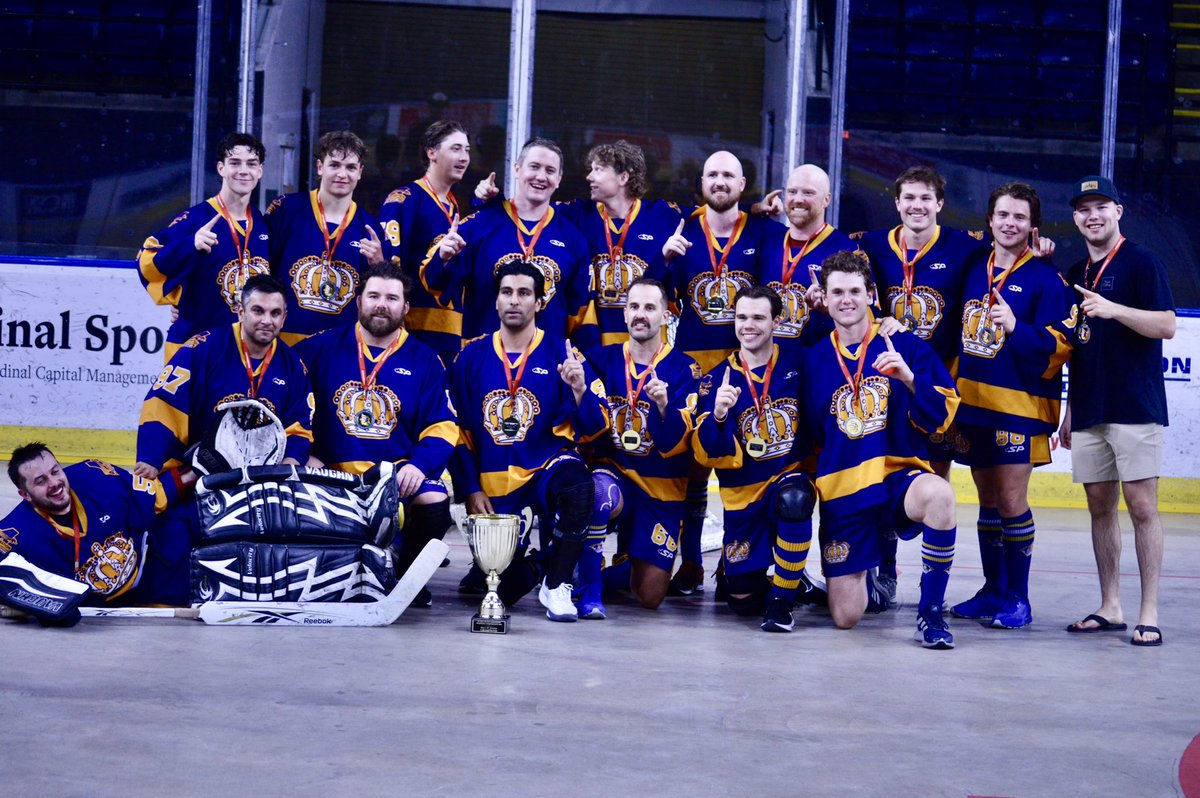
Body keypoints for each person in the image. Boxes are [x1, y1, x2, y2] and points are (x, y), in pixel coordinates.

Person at [800, 251, 960, 648]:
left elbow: (943, 414)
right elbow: (808, 433)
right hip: (844, 492)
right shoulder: (815, 359)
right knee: (845, 617)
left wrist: (908, 379)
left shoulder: (904, 344)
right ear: (825, 297)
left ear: (872, 294)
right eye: (837, 292)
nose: (846, 300)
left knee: (939, 495)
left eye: (855, 291)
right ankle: (872, 572)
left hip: (896, 479)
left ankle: (931, 612)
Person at [449, 262, 610, 621]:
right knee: (502, 587)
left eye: (524, 293)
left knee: (579, 486)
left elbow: (596, 429)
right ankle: (540, 566)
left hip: (545, 467)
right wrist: (470, 489)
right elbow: (454, 432)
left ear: (539, 302)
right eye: (507, 292)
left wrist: (580, 390)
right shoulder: (469, 357)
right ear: (495, 301)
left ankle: (558, 585)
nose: (514, 301)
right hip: (493, 484)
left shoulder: (564, 354)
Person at [948, 183, 1077, 628]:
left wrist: (1017, 327)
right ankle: (993, 590)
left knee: (1010, 497)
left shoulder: (1047, 277)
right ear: (989, 221)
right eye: (1003, 215)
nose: (1010, 223)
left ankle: (1019, 599)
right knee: (986, 499)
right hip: (972, 404)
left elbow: (1063, 344)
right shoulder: (972, 265)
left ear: (1033, 227)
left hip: (1018, 409)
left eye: (1020, 218)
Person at [294, 262, 457, 603]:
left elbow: (442, 425)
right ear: (358, 302)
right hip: (330, 475)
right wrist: (301, 453)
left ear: (406, 308)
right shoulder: (316, 349)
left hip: (394, 477)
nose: (382, 304)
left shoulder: (426, 360)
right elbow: (288, 405)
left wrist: (418, 465)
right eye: (374, 296)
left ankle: (404, 578)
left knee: (435, 498)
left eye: (391, 298)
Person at [660, 150, 783, 597]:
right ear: (702, 181)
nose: (720, 181)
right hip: (693, 370)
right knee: (693, 476)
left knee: (742, 475)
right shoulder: (681, 230)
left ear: (742, 182)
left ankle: (737, 564)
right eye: (712, 174)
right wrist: (665, 261)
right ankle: (691, 563)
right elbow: (657, 293)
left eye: (729, 175)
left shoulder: (766, 230)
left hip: (745, 372)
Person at [1061, 176, 1176, 647]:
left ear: (1118, 212)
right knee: (1099, 507)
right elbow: (1078, 349)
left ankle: (1149, 611)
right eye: (1085, 209)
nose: (1093, 215)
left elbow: (1167, 325)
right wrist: (1069, 410)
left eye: (1101, 207)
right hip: (1089, 406)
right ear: (1075, 218)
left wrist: (1116, 309)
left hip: (1134, 406)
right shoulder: (1075, 272)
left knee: (1143, 507)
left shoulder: (1142, 262)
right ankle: (1111, 605)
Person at [692, 285, 818, 632]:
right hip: (743, 497)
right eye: (742, 316)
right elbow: (708, 455)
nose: (749, 325)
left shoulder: (800, 362)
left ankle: (781, 602)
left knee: (794, 501)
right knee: (742, 602)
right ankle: (790, 580)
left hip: (788, 476)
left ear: (776, 321)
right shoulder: (717, 379)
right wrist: (718, 415)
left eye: (759, 317)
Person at [582, 278, 701, 616]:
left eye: (650, 308)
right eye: (634, 306)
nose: (640, 315)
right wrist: (578, 392)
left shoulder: (684, 369)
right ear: (624, 313)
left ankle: (581, 567)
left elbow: (673, 445)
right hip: (618, 478)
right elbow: (589, 430)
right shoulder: (599, 360)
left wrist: (663, 409)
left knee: (649, 596)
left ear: (666, 316)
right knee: (599, 492)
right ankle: (589, 593)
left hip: (661, 492)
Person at [135, 274, 314, 479]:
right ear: (240, 312)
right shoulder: (200, 350)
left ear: (283, 319)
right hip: (200, 472)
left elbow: (299, 428)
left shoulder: (294, 367)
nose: (266, 320)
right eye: (258, 311)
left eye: (275, 313)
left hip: (263, 478)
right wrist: (151, 458)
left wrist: (286, 467)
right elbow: (164, 403)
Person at [432, 138, 596, 349]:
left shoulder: (573, 238)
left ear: (559, 178)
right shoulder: (479, 225)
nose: (541, 177)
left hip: (547, 366)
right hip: (485, 361)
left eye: (550, 170)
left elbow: (581, 316)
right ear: (517, 169)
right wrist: (442, 259)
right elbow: (437, 288)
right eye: (534, 167)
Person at [1, 443, 194, 606]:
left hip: (147, 576)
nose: (54, 483)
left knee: (186, 517)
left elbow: (156, 495)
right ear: (25, 495)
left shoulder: (97, 477)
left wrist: (198, 469)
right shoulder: (15, 534)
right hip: (90, 612)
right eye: (41, 481)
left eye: (55, 471)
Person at [138, 132, 271, 361]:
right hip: (194, 346)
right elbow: (146, 259)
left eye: (251, 164)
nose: (243, 170)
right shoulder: (196, 219)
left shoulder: (263, 225)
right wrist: (190, 245)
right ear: (221, 168)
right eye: (234, 163)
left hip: (244, 351)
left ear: (260, 171)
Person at [265, 130, 388, 345]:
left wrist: (378, 264)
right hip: (282, 341)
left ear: (360, 172)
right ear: (320, 167)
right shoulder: (286, 209)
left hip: (340, 348)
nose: (342, 174)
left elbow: (379, 295)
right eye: (335, 165)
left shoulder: (371, 227)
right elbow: (262, 272)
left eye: (350, 167)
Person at [558, 140, 683, 346]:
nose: (589, 177)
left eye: (598, 169)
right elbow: (533, 210)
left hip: (646, 350)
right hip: (593, 351)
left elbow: (715, 214)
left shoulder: (662, 217)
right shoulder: (578, 214)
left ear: (623, 177)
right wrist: (486, 200)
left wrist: (753, 211)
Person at [379, 120, 472, 365]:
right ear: (431, 153)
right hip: (413, 335)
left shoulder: (455, 205)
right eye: (455, 148)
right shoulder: (403, 200)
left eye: (467, 150)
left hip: (451, 336)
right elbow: (389, 270)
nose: (464, 157)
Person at [758, 164, 857, 359]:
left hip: (820, 368)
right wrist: (755, 208)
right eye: (792, 191)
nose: (798, 199)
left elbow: (865, 314)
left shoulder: (846, 250)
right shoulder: (767, 241)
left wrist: (830, 309)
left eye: (808, 193)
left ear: (826, 199)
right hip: (767, 370)